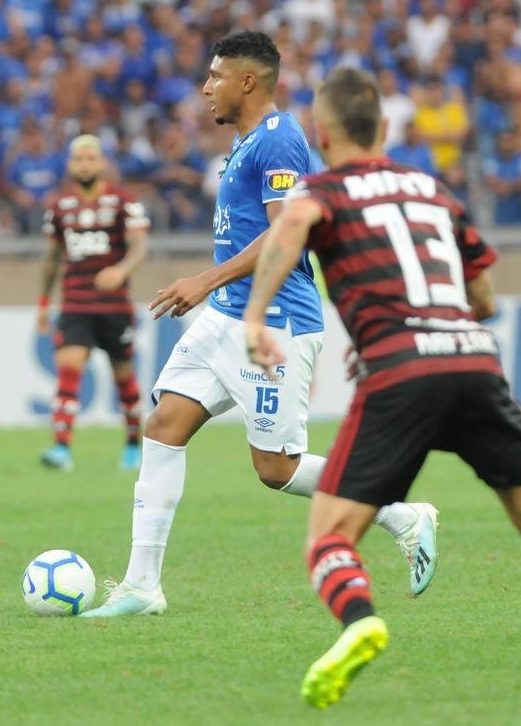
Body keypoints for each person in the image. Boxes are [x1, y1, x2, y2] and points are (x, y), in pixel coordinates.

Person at [243, 67, 521, 711]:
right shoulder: (434, 191)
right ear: (385, 128)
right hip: (474, 363)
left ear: (323, 134)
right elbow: (485, 298)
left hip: (400, 371)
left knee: (330, 540)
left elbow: (290, 226)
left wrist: (256, 317)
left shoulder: (323, 189)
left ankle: (360, 620)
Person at [83, 32, 439, 619]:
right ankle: (142, 586)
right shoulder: (247, 141)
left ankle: (402, 515)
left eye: (216, 76)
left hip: (276, 323)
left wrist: (206, 280)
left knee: (277, 469)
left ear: (247, 81)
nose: (206, 88)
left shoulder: (279, 138)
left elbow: (285, 232)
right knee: (164, 425)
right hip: (227, 316)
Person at [37, 134, 150, 471]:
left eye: (90, 159)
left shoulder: (123, 202)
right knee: (68, 371)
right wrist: (43, 303)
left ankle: (133, 446)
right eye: (78, 159)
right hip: (75, 304)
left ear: (102, 163)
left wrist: (122, 270)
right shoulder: (59, 207)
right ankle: (61, 448)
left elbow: (140, 246)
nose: (84, 165)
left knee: (124, 379)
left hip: (114, 307)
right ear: (70, 165)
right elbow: (52, 258)